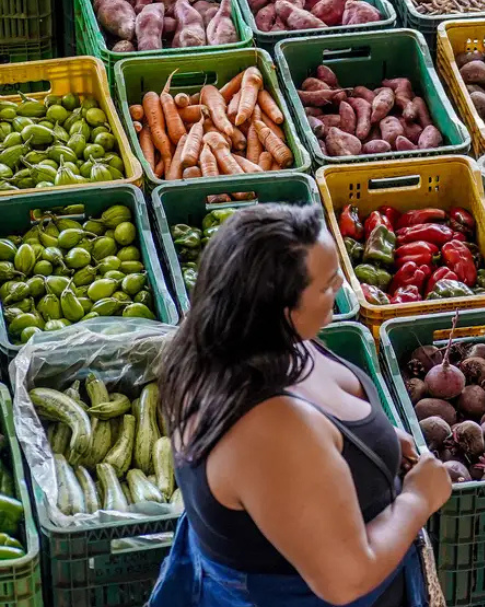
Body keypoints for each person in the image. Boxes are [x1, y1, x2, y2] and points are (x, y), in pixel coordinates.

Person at [149, 204, 454, 607]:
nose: (343, 286)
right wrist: (418, 498)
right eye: (328, 285)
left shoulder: (232, 339)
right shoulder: (270, 431)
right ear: (283, 310)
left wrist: (374, 440)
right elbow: (346, 580)